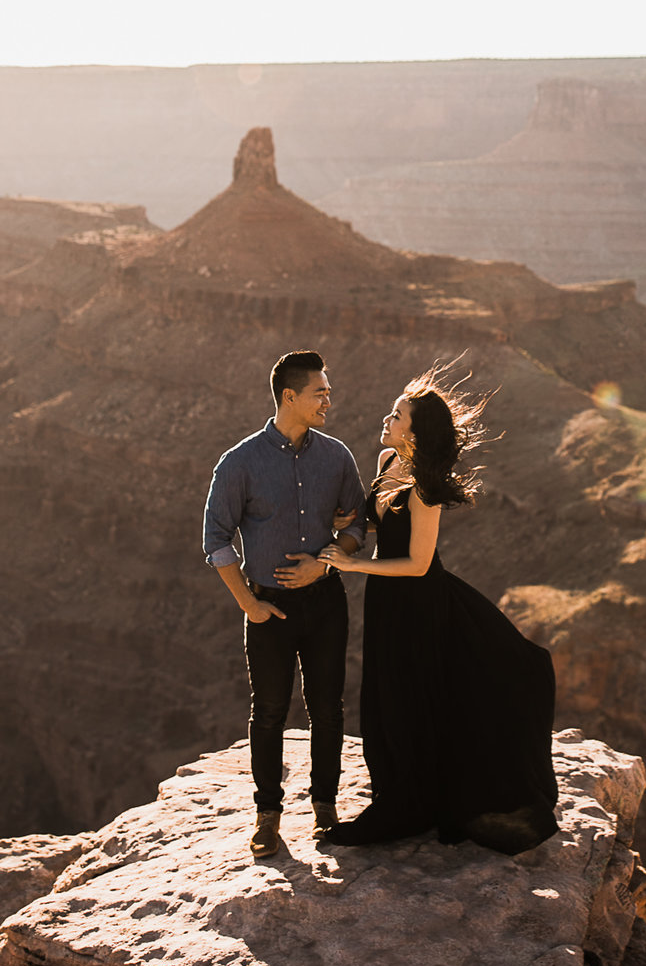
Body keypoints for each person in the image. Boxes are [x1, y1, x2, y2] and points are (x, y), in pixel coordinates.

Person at [316, 368, 559, 853]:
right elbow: (372, 517)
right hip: (386, 601)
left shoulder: (425, 488)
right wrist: (346, 522)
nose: (387, 418)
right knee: (386, 696)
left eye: (397, 414)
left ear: (415, 430)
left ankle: (410, 802)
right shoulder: (388, 461)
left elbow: (419, 563)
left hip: (419, 602)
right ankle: (397, 790)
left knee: (412, 699)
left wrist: (352, 564)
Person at [202, 349, 366, 859]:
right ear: (289, 397)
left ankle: (324, 807)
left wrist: (328, 560)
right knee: (269, 712)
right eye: (320, 392)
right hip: (268, 609)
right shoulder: (239, 462)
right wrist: (248, 604)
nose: (328, 400)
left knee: (328, 710)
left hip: (325, 603)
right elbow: (216, 538)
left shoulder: (336, 456)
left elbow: (362, 524)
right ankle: (268, 816)